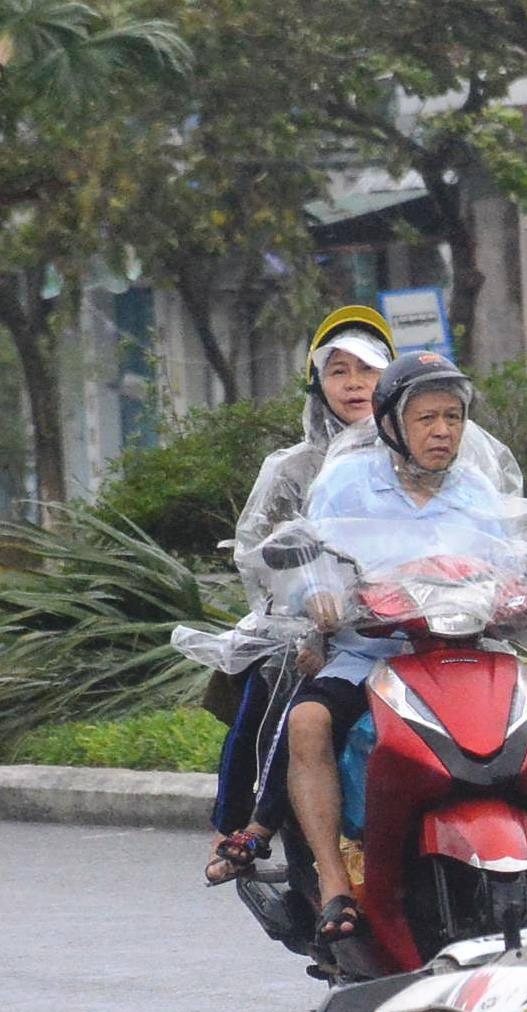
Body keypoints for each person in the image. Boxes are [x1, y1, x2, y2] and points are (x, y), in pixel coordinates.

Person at [278, 351, 527, 947]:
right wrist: (319, 594)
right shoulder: (346, 484)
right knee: (308, 721)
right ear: (392, 424)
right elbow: (312, 557)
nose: (443, 431)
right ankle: (333, 884)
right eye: (427, 418)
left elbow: (512, 564)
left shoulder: (477, 491)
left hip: (468, 655)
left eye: (453, 417)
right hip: (374, 656)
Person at [199, 306, 395, 887]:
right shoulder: (292, 468)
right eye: (339, 371)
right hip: (307, 627)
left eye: (369, 369)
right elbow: (260, 553)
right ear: (318, 384)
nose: (355, 383)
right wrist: (310, 624)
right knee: (276, 689)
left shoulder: (419, 457)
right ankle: (241, 826)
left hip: (403, 625)